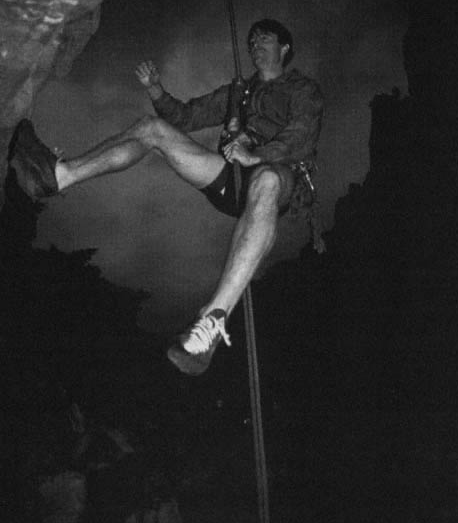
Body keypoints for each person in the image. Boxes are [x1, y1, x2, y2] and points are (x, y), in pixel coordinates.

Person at [9, 19, 323, 376]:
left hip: (277, 175)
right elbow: (186, 116)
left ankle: (212, 322)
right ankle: (58, 176)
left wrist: (256, 156)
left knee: (265, 179)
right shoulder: (240, 91)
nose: (255, 43)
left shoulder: (302, 88)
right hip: (232, 176)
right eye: (252, 39)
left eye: (265, 37)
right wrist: (157, 89)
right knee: (152, 129)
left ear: (284, 48)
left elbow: (302, 134)